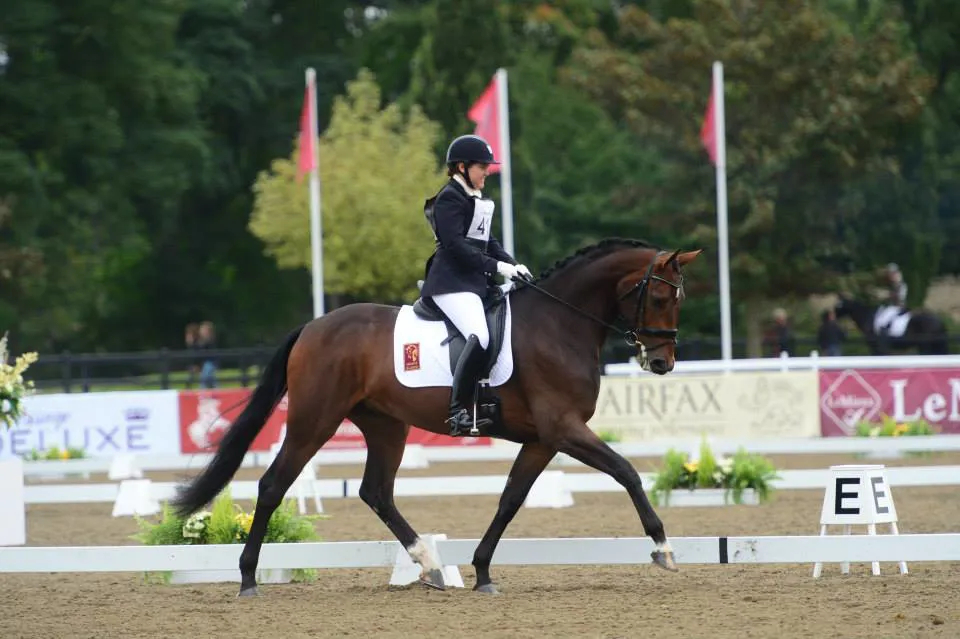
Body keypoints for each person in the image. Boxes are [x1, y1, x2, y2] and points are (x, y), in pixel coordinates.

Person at [419, 134, 532, 435]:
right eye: (482, 166)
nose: (486, 172)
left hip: (473, 282)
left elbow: (488, 242)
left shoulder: (474, 199)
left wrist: (513, 264)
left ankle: (487, 397)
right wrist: (498, 267)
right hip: (450, 283)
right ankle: (457, 411)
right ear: (461, 166)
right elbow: (455, 246)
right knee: (479, 336)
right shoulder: (449, 198)